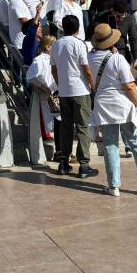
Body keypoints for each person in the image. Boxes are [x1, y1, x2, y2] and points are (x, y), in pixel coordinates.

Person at [87, 24, 137, 196]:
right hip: (123, 104)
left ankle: (114, 186)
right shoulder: (117, 58)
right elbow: (129, 85)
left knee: (110, 145)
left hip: (103, 104)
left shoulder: (89, 58)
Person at [50, 15, 96, 178]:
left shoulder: (56, 44)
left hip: (64, 91)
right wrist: (93, 85)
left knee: (66, 127)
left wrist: (61, 83)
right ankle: (84, 165)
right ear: (77, 28)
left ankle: (64, 162)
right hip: (80, 90)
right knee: (83, 127)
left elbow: (53, 69)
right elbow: (86, 69)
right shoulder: (79, 44)